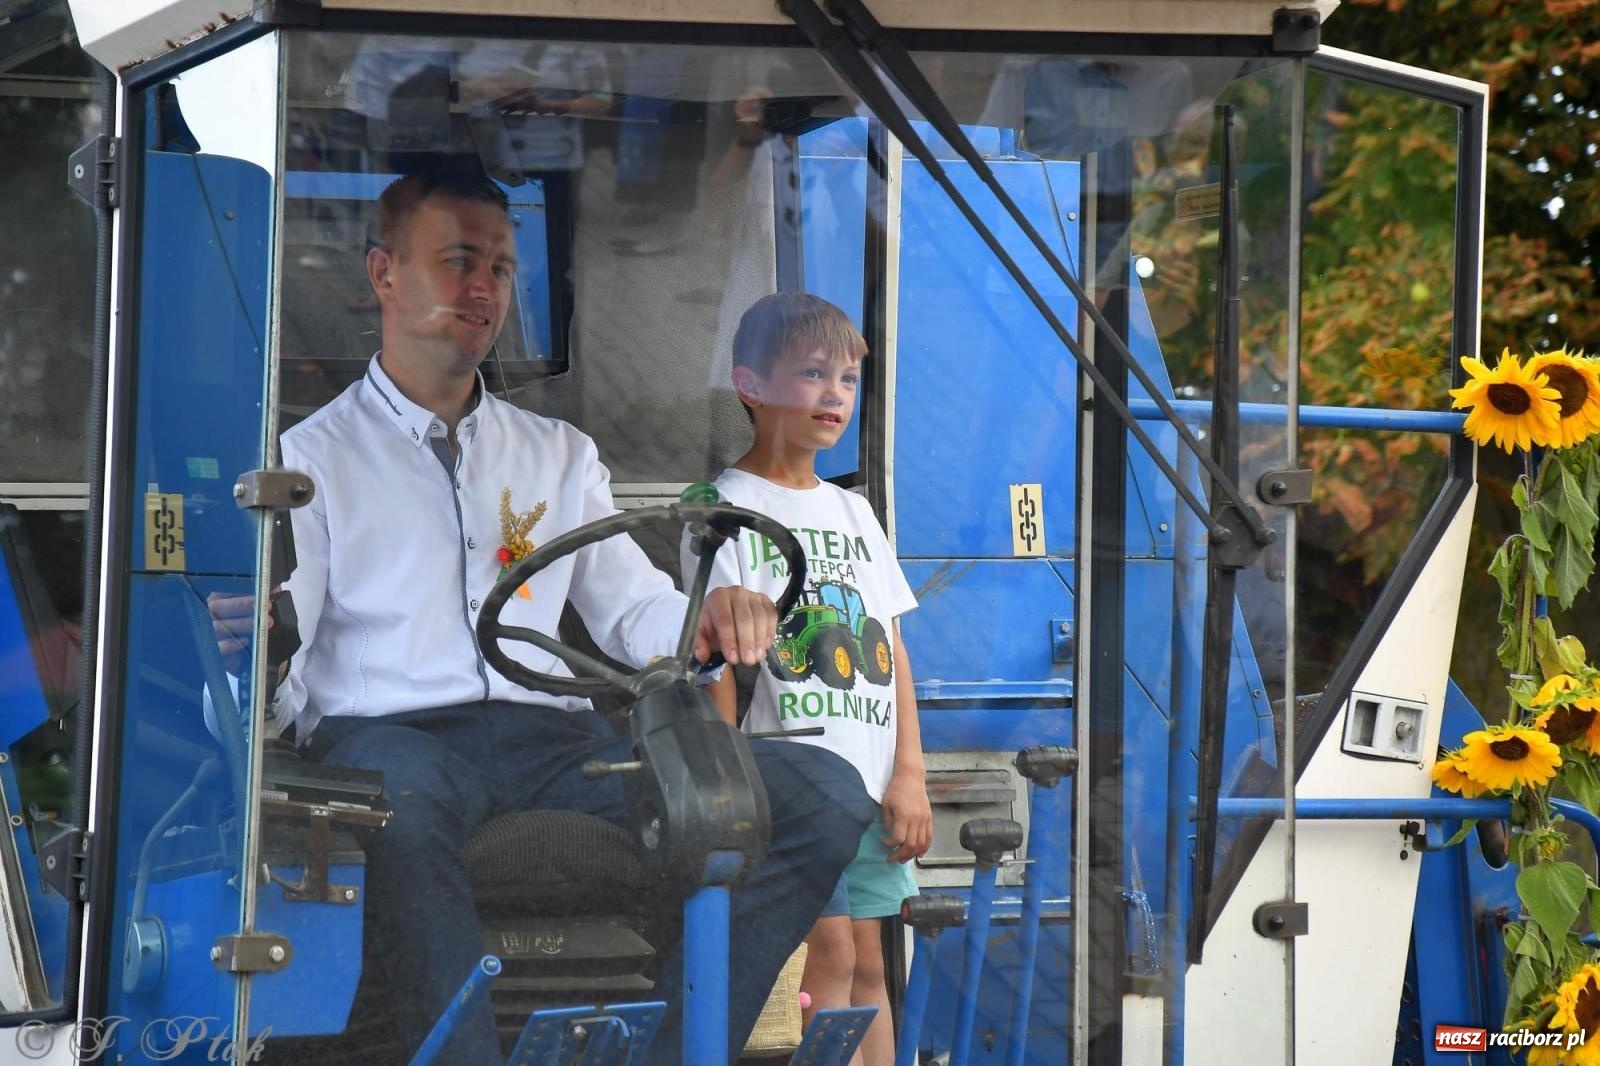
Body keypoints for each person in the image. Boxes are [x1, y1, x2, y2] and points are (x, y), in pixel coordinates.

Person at [269, 166, 873, 1064]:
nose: (484, 290)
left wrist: (702, 621)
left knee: (823, 795)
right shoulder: (305, 461)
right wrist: (252, 658)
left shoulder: (557, 453)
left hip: (551, 744)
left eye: (502, 269)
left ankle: (670, 1049)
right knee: (398, 797)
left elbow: (633, 607)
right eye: (459, 261)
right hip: (388, 739)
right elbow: (283, 648)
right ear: (383, 275)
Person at [681, 292, 932, 1066]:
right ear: (750, 384)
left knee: (869, 965)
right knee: (820, 969)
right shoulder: (719, 508)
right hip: (789, 794)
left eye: (848, 380)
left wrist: (910, 776)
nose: (834, 395)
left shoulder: (856, 514)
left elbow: (890, 651)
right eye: (813, 373)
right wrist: (733, 790)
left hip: (868, 784)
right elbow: (712, 661)